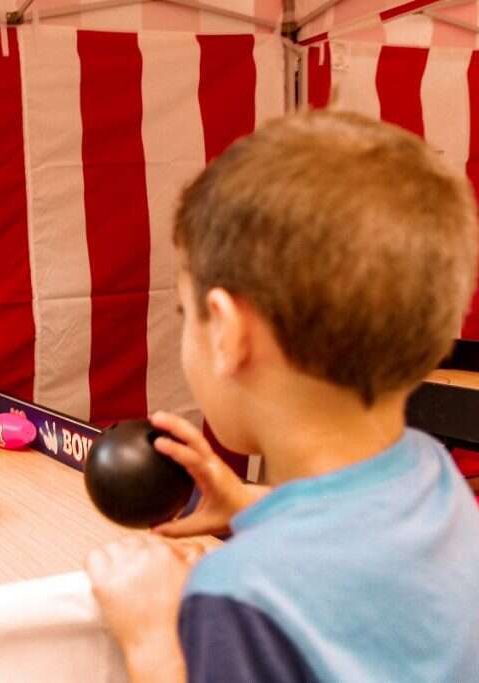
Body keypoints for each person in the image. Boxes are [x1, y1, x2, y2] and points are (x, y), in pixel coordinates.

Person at [86, 111, 479, 682]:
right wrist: (249, 504)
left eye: (185, 313)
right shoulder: (433, 474)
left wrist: (152, 641)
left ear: (227, 332)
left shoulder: (240, 597)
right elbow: (364, 550)